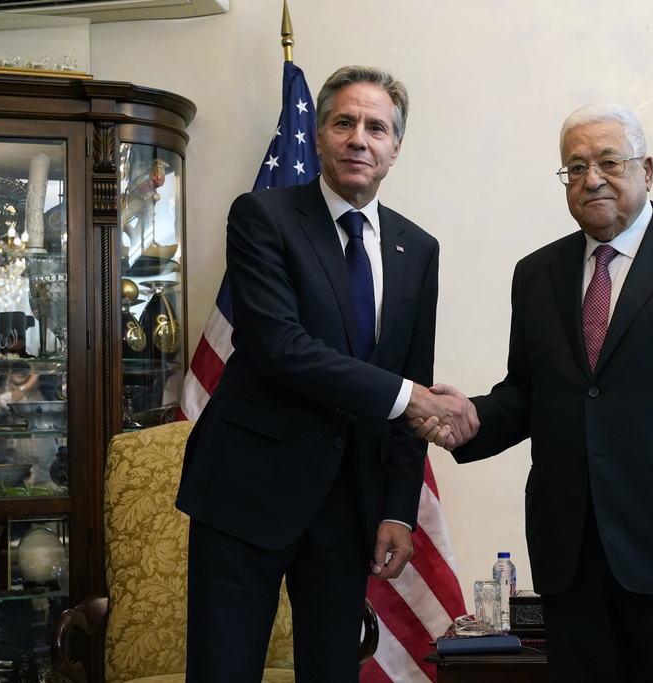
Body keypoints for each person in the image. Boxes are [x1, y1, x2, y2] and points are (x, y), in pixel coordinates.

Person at [415, 103, 653, 682]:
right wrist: (471, 419)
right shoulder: (536, 273)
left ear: (647, 169)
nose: (592, 179)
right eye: (575, 167)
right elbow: (528, 393)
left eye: (609, 161)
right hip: (571, 548)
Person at [175, 65, 475, 683]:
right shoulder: (264, 217)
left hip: (349, 504)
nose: (359, 139)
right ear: (319, 135)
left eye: (376, 127)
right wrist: (408, 396)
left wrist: (397, 508)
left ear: (395, 146)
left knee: (333, 671)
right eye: (344, 122)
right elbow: (282, 346)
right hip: (247, 491)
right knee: (224, 669)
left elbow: (410, 375)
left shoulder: (418, 250)